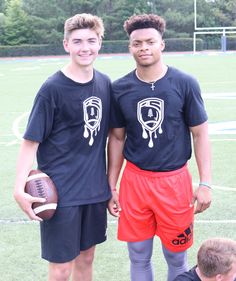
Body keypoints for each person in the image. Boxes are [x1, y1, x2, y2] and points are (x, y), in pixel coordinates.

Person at [108, 14, 212, 281]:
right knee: (139, 256)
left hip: (174, 182)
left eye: (150, 42)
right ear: (129, 47)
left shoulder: (184, 83)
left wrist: (206, 183)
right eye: (137, 43)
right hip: (135, 182)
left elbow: (200, 134)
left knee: (177, 259)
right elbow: (117, 139)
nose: (144, 47)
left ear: (161, 45)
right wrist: (112, 186)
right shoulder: (119, 88)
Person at [14, 13, 111, 281]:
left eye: (91, 40)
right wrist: (18, 188)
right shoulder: (52, 88)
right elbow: (30, 142)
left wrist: (111, 186)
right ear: (66, 44)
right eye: (77, 41)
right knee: (60, 270)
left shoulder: (104, 84)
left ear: (100, 42)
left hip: (94, 191)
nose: (85, 48)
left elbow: (115, 136)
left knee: (87, 260)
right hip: (60, 194)